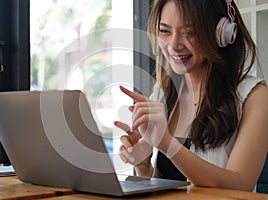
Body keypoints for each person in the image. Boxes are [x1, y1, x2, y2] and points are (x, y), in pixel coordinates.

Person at [114, 0, 268, 192]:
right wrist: (143, 166)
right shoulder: (163, 93)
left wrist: (167, 144)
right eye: (165, 31)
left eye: (190, 32)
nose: (174, 45)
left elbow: (240, 184)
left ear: (221, 33)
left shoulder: (254, 96)